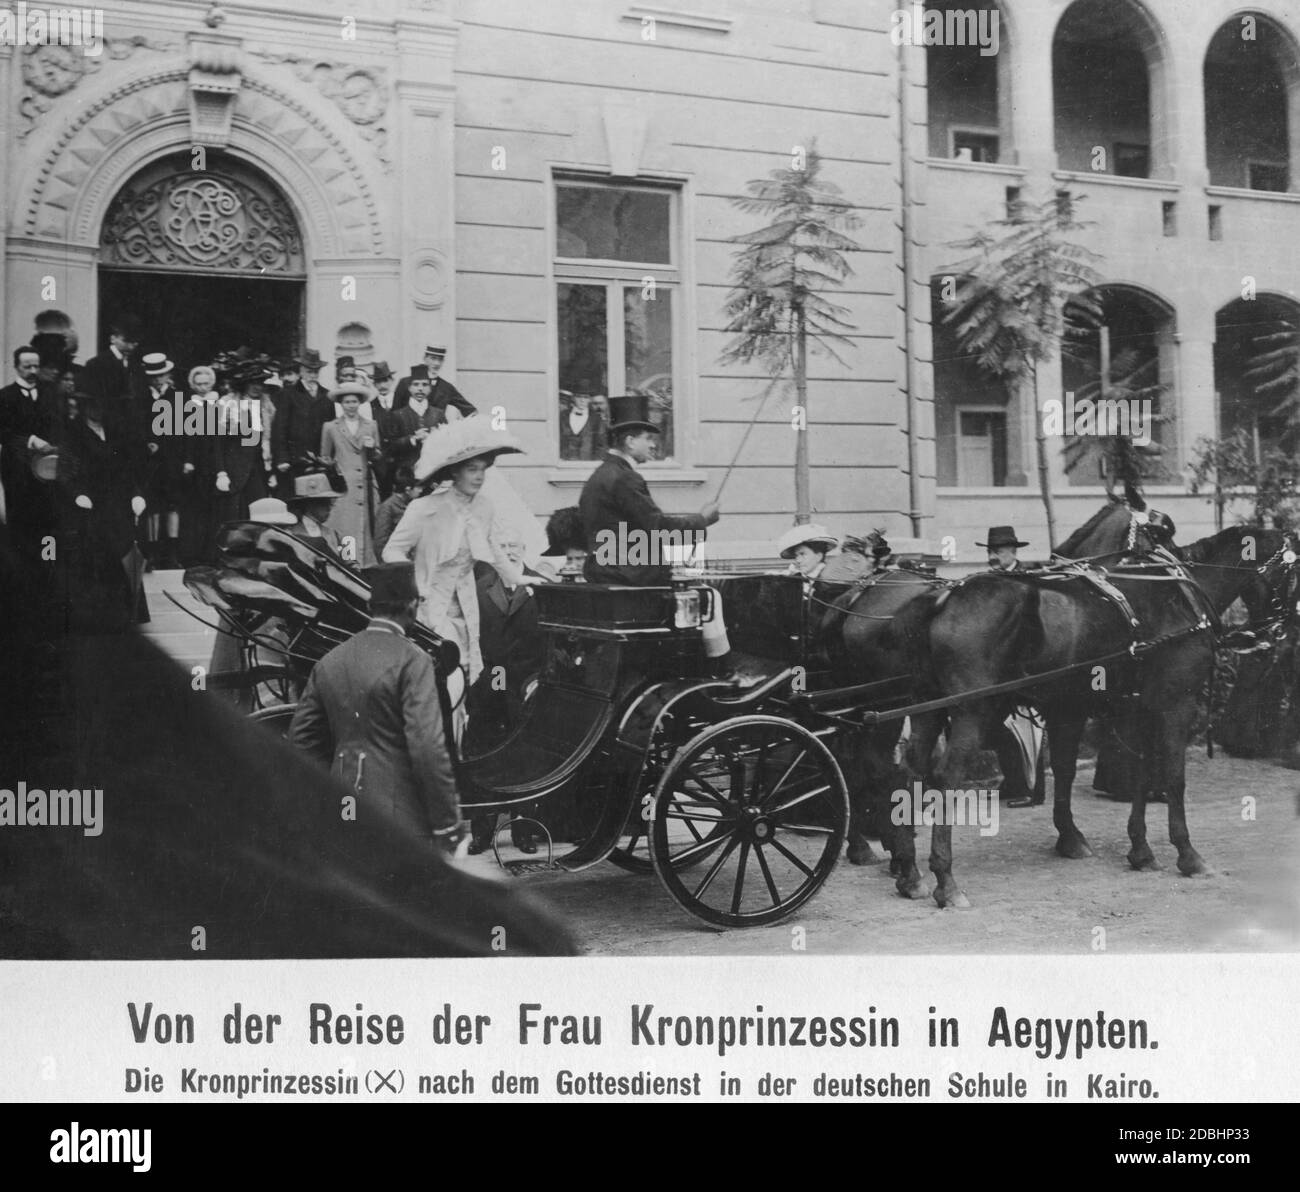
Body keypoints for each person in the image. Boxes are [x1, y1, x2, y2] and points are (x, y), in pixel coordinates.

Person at [288, 561, 467, 855]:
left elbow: (302, 744)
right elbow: (427, 748)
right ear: (411, 606)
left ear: (372, 606)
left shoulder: (330, 661)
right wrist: (448, 827)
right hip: (400, 819)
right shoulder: (413, 660)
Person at [580, 394, 746, 679]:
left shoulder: (599, 476)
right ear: (630, 441)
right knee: (710, 596)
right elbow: (657, 526)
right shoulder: (626, 478)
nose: (654, 444)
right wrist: (703, 519)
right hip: (632, 577)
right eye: (648, 437)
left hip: (607, 572)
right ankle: (722, 672)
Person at [381, 417, 535, 688]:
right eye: (471, 469)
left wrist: (516, 577)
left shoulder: (484, 507)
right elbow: (392, 551)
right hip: (428, 603)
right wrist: (413, 586)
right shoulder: (424, 508)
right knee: (441, 670)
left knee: (466, 670)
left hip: (466, 602)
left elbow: (492, 548)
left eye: (483, 470)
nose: (479, 476)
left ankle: (458, 727)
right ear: (454, 472)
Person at [978, 525, 1043, 808]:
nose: (992, 556)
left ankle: (1032, 790)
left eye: (998, 551)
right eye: (990, 551)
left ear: (1013, 551)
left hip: (1025, 665)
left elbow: (1034, 627)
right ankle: (1013, 780)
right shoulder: (989, 580)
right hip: (996, 668)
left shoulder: (1027, 581)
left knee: (1030, 728)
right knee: (994, 726)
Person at [0, 344, 61, 558]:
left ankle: (47, 561)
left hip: (47, 469)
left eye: (36, 366)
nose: (33, 371)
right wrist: (32, 441)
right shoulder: (5, 396)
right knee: (21, 519)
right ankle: (22, 567)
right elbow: (3, 432)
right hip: (18, 469)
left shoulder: (50, 394)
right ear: (16, 367)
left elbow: (57, 425)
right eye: (27, 366)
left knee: (48, 519)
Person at [320, 383, 381, 566]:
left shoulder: (371, 425)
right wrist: (334, 471)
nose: (351, 405)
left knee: (366, 527)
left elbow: (378, 455)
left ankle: (367, 567)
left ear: (360, 403)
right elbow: (325, 457)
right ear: (341, 404)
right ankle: (349, 567)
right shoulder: (330, 427)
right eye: (347, 402)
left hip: (366, 484)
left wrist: (372, 450)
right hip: (344, 487)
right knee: (346, 527)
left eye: (354, 401)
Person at [142, 352, 185, 570]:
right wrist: (148, 442)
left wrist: (185, 459)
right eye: (153, 376)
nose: (158, 380)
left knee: (172, 505)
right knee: (152, 507)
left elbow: (185, 431)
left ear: (168, 374)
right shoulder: (140, 397)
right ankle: (152, 553)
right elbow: (136, 426)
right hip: (149, 462)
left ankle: (172, 553)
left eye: (162, 375)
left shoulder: (177, 397)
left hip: (172, 460)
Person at [272, 348, 333, 476]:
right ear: (301, 371)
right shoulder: (288, 394)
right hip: (295, 458)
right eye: (309, 371)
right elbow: (280, 428)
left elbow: (331, 427)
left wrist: (329, 455)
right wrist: (282, 458)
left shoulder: (327, 395)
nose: (313, 375)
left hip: (321, 457)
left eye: (316, 372)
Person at [393, 345, 477, 418]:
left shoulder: (447, 388)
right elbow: (395, 413)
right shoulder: (405, 383)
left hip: (436, 434)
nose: (436, 363)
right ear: (425, 358)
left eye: (440, 360)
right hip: (410, 434)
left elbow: (471, 411)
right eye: (433, 358)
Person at [284, 471, 346, 553]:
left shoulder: (334, 534)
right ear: (310, 505)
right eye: (324, 504)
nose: (329, 508)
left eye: (330, 504)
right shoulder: (290, 534)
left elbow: (351, 562)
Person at [374, 465, 419, 557]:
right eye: (418, 487)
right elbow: (380, 542)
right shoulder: (388, 507)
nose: (420, 490)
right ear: (408, 490)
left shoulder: (412, 504)